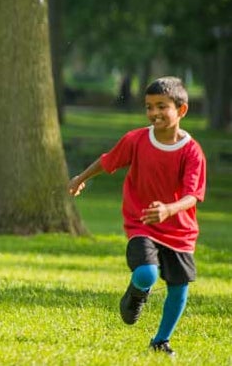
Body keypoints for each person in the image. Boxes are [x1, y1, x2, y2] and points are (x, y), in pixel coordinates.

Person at [68, 76, 206, 356]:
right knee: (146, 273)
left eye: (162, 106)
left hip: (180, 230)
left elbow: (193, 195)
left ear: (181, 110)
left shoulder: (192, 152)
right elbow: (108, 160)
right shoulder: (136, 140)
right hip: (141, 222)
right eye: (149, 107)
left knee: (179, 289)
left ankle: (161, 341)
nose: (154, 113)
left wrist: (169, 209)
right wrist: (80, 178)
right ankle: (136, 292)